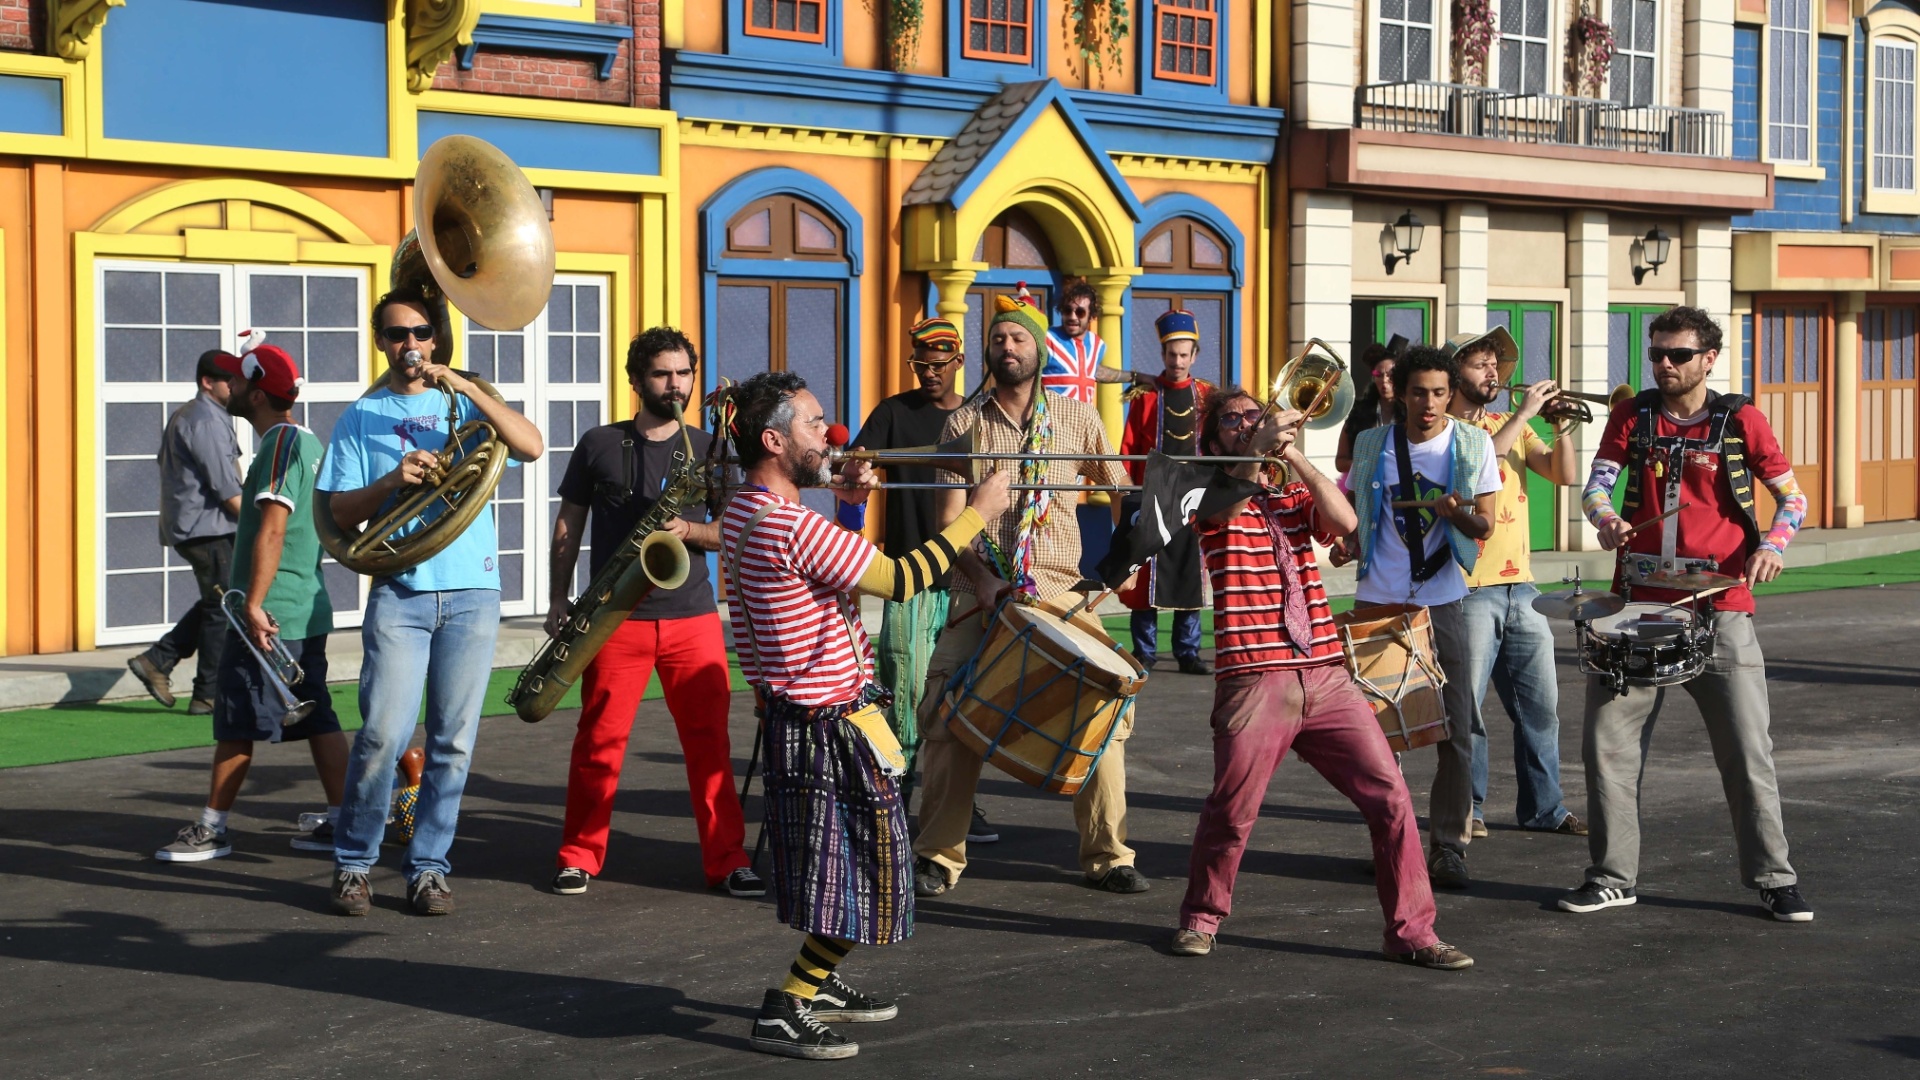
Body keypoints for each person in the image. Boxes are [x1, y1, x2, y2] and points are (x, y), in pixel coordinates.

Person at [719, 370, 1010, 1060]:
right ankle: (789, 1001)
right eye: (814, 424)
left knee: (846, 874)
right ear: (773, 439)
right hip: (828, 725)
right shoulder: (787, 522)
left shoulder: (744, 510)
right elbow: (902, 580)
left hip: (812, 718)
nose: (830, 434)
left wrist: (849, 509)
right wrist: (979, 507)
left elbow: (825, 582)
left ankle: (816, 981)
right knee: (869, 873)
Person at [1169, 389, 1472, 971]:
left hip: (1325, 671)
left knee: (1390, 798)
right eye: (1231, 420)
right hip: (1256, 676)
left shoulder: (1287, 487)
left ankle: (1413, 934)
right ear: (1211, 440)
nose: (1246, 424)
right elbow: (1223, 514)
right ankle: (1201, 918)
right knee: (1233, 809)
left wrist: (1297, 455)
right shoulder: (1198, 485)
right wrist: (1258, 449)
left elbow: (1346, 521)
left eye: (1253, 416)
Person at [1561, 305, 1814, 922]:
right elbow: (1596, 486)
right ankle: (1613, 876)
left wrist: (1772, 547)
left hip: (1720, 609)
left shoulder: (1741, 420)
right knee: (1606, 749)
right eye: (1656, 354)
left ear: (1709, 359)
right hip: (1639, 608)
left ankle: (1775, 879)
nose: (1665, 365)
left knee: (1748, 751)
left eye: (1678, 354)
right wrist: (1606, 519)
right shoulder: (1632, 415)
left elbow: (1793, 497)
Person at [320, 284, 545, 918]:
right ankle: (354, 865)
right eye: (397, 334)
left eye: (421, 333)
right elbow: (338, 511)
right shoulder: (361, 416)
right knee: (382, 737)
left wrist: (471, 387)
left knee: (452, 744)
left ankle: (428, 869)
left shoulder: (465, 403)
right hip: (400, 590)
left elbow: (530, 446)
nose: (410, 345)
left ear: (437, 339)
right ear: (380, 342)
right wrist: (394, 480)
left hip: (472, 591)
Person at [911, 293, 1145, 898]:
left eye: (1018, 339)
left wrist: (1126, 561)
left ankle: (1109, 856)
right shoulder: (961, 424)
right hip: (979, 594)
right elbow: (948, 523)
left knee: (1104, 716)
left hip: (1061, 593)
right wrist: (985, 581)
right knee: (944, 718)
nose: (1007, 348)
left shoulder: (1079, 418)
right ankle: (938, 856)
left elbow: (1121, 491)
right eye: (998, 340)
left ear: (1041, 349)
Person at [544, 327, 760, 899]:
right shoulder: (598, 443)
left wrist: (689, 529)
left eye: (684, 374)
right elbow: (569, 525)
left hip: (691, 617)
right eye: (662, 374)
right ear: (636, 379)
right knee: (598, 743)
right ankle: (579, 855)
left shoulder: (711, 447)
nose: (675, 385)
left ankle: (728, 860)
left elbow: (735, 529)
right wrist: (557, 598)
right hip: (617, 616)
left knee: (710, 746)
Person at [152, 341, 348, 861]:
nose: (230, 387)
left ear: (255, 394)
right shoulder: (301, 441)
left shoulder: (281, 445)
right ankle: (343, 820)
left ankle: (212, 828)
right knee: (317, 716)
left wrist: (254, 603)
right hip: (300, 604)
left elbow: (274, 526)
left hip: (273, 609)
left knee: (236, 721)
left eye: (238, 381)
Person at [1345, 345, 1499, 890]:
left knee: (1457, 724)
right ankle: (1391, 841)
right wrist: (1345, 543)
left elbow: (1485, 527)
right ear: (1400, 392)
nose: (1428, 404)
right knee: (1375, 733)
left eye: (1438, 393)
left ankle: (1449, 846)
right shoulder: (1371, 444)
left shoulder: (1473, 444)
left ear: (1450, 392)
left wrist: (1457, 514)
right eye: (1418, 392)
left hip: (1446, 598)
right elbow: (1355, 517)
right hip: (1379, 599)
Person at [1443, 328, 1585, 840]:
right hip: (1468, 588)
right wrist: (1525, 414)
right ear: (1454, 371)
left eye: (1495, 364)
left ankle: (1545, 808)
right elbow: (1479, 468)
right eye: (1480, 364)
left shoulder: (1508, 423)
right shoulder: (1446, 430)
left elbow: (1563, 474)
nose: (1493, 373)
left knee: (1540, 709)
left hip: (1521, 586)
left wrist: (1562, 424)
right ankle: (1468, 808)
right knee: (1469, 710)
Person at [846, 317, 966, 780]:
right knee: (906, 686)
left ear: (957, 362)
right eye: (920, 365)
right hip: (910, 573)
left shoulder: (978, 414)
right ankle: (897, 783)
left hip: (966, 574)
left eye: (938, 365)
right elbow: (859, 458)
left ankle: (954, 793)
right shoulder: (893, 412)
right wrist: (861, 470)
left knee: (961, 691)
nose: (929, 373)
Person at [129, 351, 245, 715]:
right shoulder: (205, 421)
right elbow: (227, 488)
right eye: (229, 380)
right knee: (222, 608)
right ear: (207, 382)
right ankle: (206, 694)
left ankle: (158, 660)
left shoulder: (204, 416)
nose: (236, 386)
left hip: (201, 526)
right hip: (205, 528)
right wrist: (265, 525)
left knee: (221, 601)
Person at [1118, 308, 1215, 675]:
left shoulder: (1207, 395)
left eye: (1183, 354)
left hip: (1193, 499)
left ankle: (1187, 652)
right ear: (1162, 356)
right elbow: (1128, 448)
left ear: (1193, 356)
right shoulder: (1144, 396)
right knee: (1144, 577)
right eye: (1171, 354)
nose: (1177, 361)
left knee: (1188, 573)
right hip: (1151, 496)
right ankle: (1144, 651)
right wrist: (1129, 497)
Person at [1041, 276, 1133, 403]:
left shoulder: (1097, 345)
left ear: (1092, 316)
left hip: (1083, 420)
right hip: (1051, 419)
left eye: (1080, 312)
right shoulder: (1046, 339)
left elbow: (1094, 371)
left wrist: (1137, 377)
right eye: (1067, 311)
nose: (1073, 317)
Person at [1335, 339, 1402, 475]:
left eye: (1390, 375)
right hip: (1364, 487)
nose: (1384, 380)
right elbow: (1340, 462)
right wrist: (1367, 465)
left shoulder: (1412, 413)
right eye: (1378, 375)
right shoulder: (1359, 414)